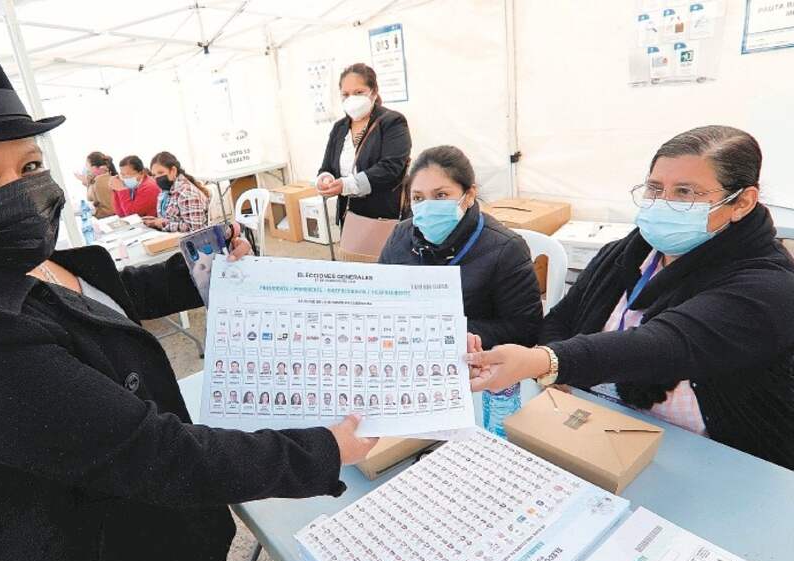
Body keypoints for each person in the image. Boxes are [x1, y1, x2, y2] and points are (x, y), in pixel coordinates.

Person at [0, 18, 377, 561]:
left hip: (169, 550)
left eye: (30, 166)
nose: (20, 191)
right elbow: (157, 454)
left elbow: (94, 300)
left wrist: (199, 267)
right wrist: (321, 449)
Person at [466, 126, 794, 470]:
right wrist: (559, 375)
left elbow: (666, 343)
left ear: (742, 202)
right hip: (602, 428)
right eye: (655, 188)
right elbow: (563, 318)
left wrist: (546, 361)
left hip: (716, 457)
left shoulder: (769, 285)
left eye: (685, 192)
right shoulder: (627, 253)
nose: (663, 203)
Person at [380, 146, 542, 348]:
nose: (428, 207)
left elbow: (526, 329)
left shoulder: (506, 249)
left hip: (474, 362)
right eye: (418, 198)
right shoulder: (401, 235)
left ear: (470, 194)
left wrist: (452, 331)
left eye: (441, 195)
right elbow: (380, 294)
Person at [316, 63, 411, 225]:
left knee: (382, 250)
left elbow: (391, 167)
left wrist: (346, 184)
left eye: (358, 92)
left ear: (373, 92)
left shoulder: (392, 122)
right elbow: (327, 167)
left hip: (382, 214)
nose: (351, 99)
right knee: (350, 251)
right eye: (345, 94)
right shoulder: (339, 128)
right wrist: (325, 179)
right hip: (349, 213)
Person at [144, 150, 209, 233]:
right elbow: (169, 218)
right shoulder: (166, 191)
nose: (157, 178)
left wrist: (162, 223)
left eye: (160, 172)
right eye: (154, 175)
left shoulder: (186, 193)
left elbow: (195, 229)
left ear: (173, 171)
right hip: (171, 237)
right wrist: (155, 221)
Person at [75, 151, 116, 218]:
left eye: (87, 166)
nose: (86, 169)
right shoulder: (97, 180)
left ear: (94, 167)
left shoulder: (100, 181)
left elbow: (108, 210)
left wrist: (92, 213)